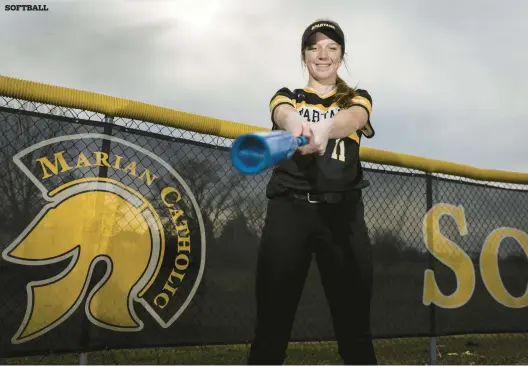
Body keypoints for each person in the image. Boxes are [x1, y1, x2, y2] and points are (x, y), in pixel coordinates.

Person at [247, 19, 378, 365]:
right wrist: (296, 125)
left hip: (343, 216)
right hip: (290, 212)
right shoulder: (288, 95)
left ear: (341, 55)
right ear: (304, 56)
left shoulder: (357, 97)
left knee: (356, 335)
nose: (323, 54)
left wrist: (323, 128)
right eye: (314, 47)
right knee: (270, 332)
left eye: (331, 47)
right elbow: (282, 113)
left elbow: (354, 118)